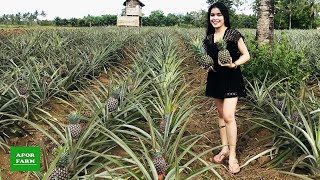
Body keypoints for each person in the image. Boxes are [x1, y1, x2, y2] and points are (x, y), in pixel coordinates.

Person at [203, 2, 250, 174]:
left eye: (218, 15)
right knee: (221, 115)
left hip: (231, 78)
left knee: (229, 116)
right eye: (212, 15)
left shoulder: (233, 34)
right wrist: (207, 64)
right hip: (215, 79)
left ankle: (232, 155)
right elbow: (210, 58)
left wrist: (234, 64)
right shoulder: (208, 38)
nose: (215, 18)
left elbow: (246, 55)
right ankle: (224, 148)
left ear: (224, 16)